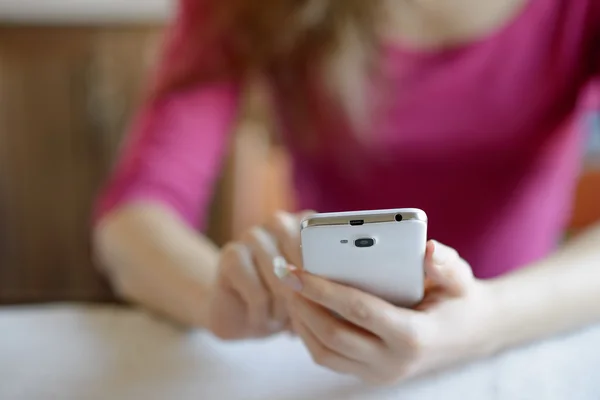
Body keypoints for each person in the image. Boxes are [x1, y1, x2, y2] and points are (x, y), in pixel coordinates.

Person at [93, 0, 600, 385]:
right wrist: (216, 298)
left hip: (523, 338)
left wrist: (490, 319)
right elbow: (134, 215)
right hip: (315, 352)